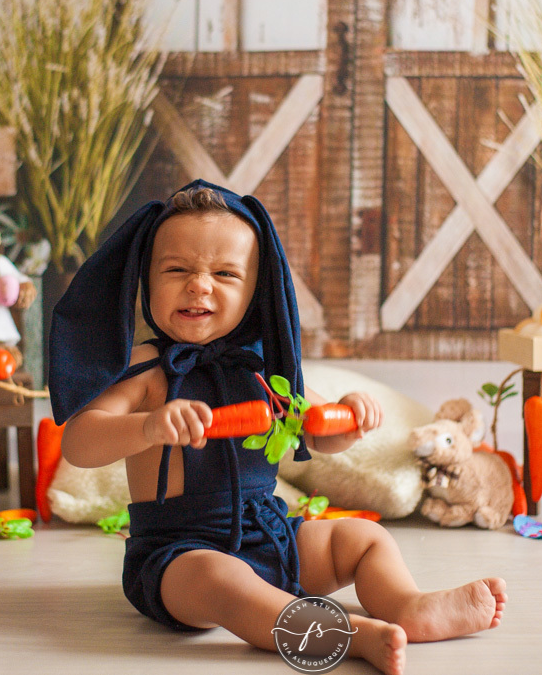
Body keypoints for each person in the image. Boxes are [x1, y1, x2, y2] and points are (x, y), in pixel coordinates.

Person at [49, 180, 507, 675]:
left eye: (224, 273)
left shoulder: (263, 370)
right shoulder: (146, 370)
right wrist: (147, 428)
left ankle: (405, 604)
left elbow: (316, 431)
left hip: (272, 534)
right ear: (146, 279)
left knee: (362, 538)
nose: (199, 285)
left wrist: (348, 417)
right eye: (177, 269)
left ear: (255, 289)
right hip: (178, 554)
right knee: (223, 580)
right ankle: (344, 636)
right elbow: (79, 442)